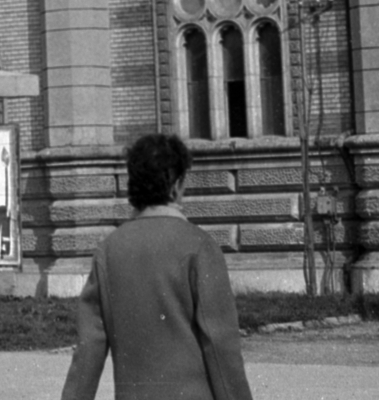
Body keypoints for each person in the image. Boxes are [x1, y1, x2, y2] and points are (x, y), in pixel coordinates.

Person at [61, 133, 254, 400]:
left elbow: (88, 350)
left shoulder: (109, 251)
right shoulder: (200, 246)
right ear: (175, 185)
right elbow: (221, 347)